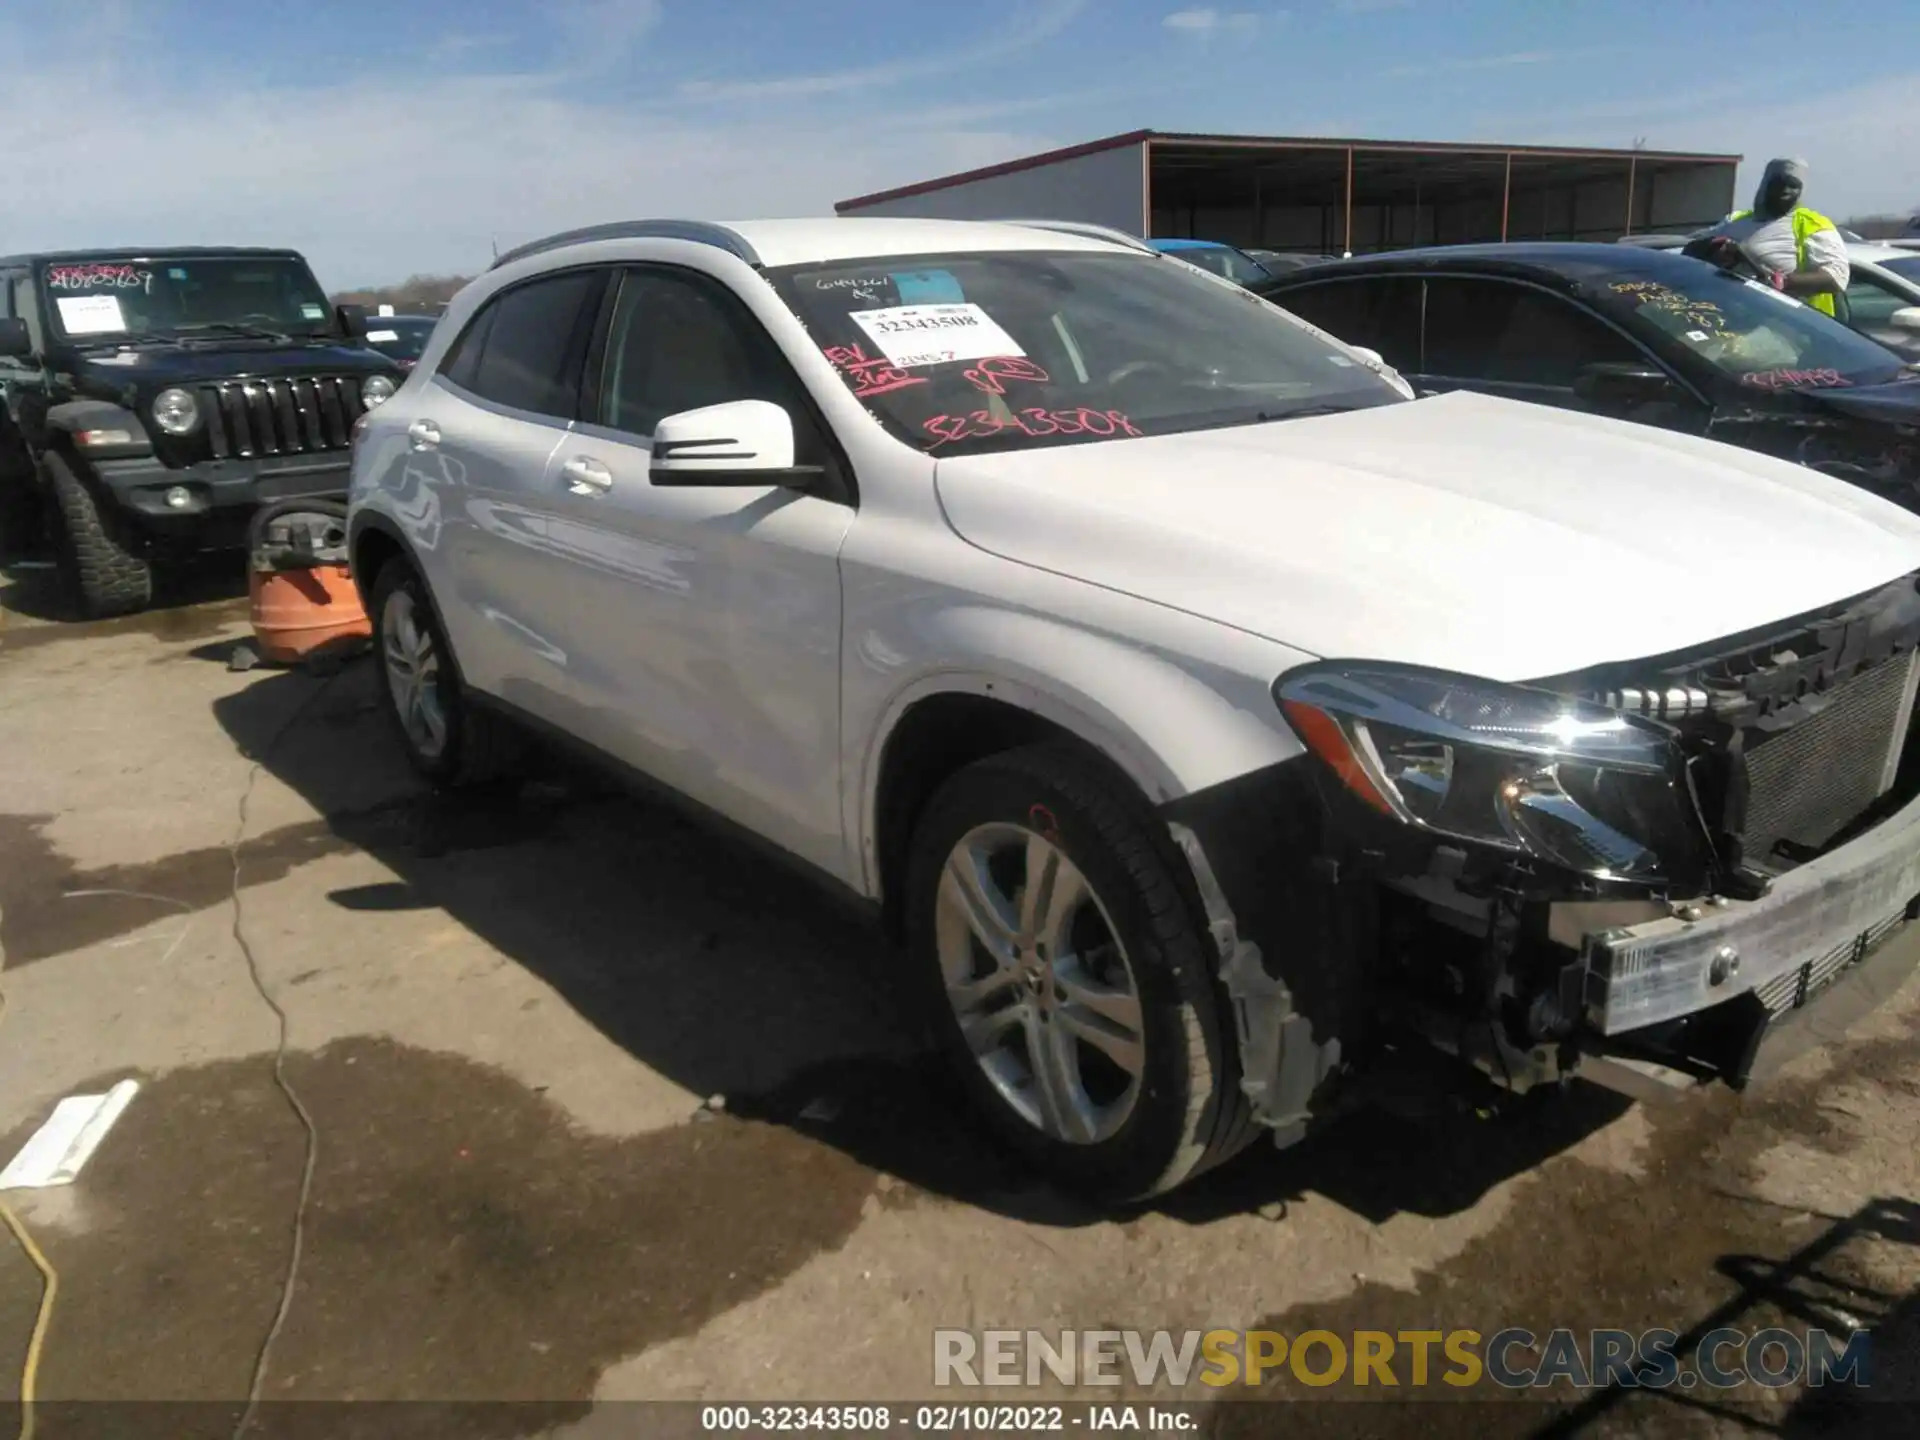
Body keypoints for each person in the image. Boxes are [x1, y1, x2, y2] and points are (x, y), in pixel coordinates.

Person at [1684, 158, 1849, 317]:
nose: (1785, 190)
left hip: (1792, 329)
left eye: (1793, 185)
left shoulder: (1812, 224)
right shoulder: (1735, 220)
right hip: (1728, 319)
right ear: (1765, 184)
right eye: (1779, 184)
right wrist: (1714, 250)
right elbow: (1688, 250)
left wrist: (1784, 282)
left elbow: (1836, 277)